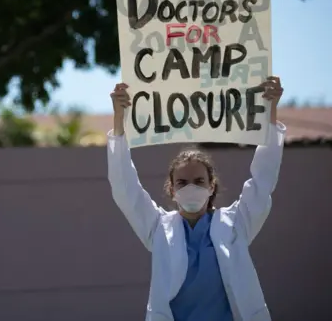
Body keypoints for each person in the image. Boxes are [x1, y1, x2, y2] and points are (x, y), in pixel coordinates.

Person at [107, 77, 285, 321]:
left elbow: (263, 179)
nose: (191, 187)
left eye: (199, 181)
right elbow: (125, 188)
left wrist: (270, 110)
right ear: (171, 189)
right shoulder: (158, 227)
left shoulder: (237, 223)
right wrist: (119, 121)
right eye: (182, 182)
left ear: (212, 187)